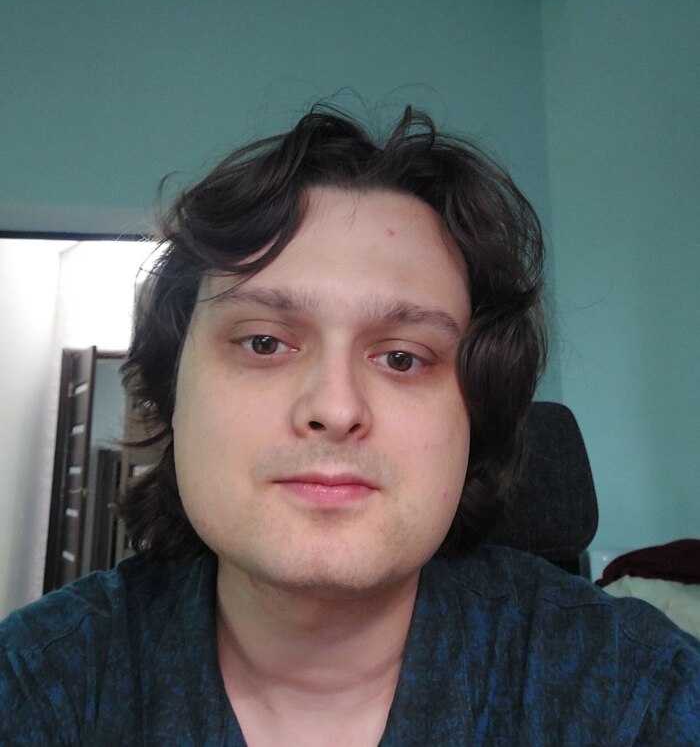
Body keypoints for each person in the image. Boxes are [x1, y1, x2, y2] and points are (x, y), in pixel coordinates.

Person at [1, 106, 698, 745]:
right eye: (264, 343)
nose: (335, 408)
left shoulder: (640, 694)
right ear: (171, 393)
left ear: (475, 419)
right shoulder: (35, 686)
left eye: (402, 357)